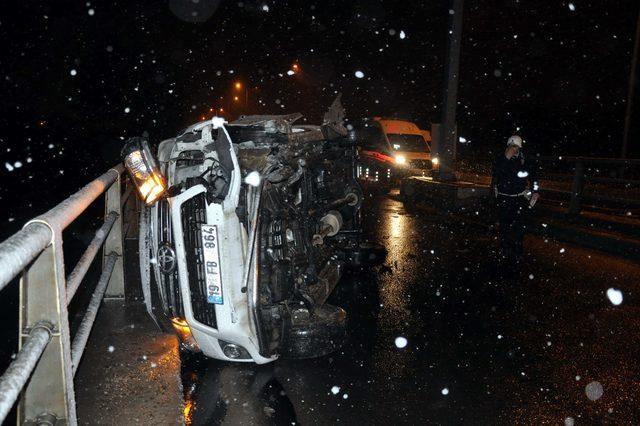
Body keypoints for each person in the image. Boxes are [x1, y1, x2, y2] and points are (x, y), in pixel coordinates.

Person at [491, 135, 539, 262]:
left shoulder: (524, 159)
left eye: (516, 146)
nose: (514, 149)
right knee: (504, 225)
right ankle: (504, 249)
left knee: (519, 226)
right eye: (512, 146)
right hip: (504, 198)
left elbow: (533, 176)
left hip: (519, 198)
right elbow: (496, 173)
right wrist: (506, 158)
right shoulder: (501, 158)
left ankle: (518, 250)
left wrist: (536, 190)